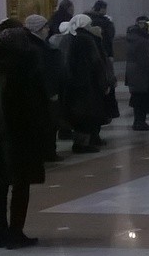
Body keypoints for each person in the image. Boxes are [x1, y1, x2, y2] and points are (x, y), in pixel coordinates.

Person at [0, 26, 48, 248]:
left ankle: (0, 232)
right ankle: (16, 232)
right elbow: (35, 106)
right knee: (20, 184)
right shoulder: (25, 69)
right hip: (20, 135)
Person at [62, 14, 111, 153]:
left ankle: (81, 142)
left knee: (80, 116)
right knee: (86, 115)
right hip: (87, 84)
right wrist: (103, 83)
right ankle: (82, 144)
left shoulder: (72, 37)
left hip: (74, 83)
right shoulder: (86, 39)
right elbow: (96, 63)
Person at [22, 15, 61, 162]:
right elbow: (43, 72)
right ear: (38, 29)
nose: (48, 29)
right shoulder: (36, 47)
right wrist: (50, 91)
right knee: (47, 123)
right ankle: (47, 152)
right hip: (42, 93)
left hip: (39, 92)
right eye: (45, 27)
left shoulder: (33, 44)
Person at [124, 16, 149, 131]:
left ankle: (138, 121)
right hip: (141, 73)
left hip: (132, 72)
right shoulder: (142, 41)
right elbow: (145, 60)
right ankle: (140, 122)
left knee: (137, 98)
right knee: (141, 99)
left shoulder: (131, 39)